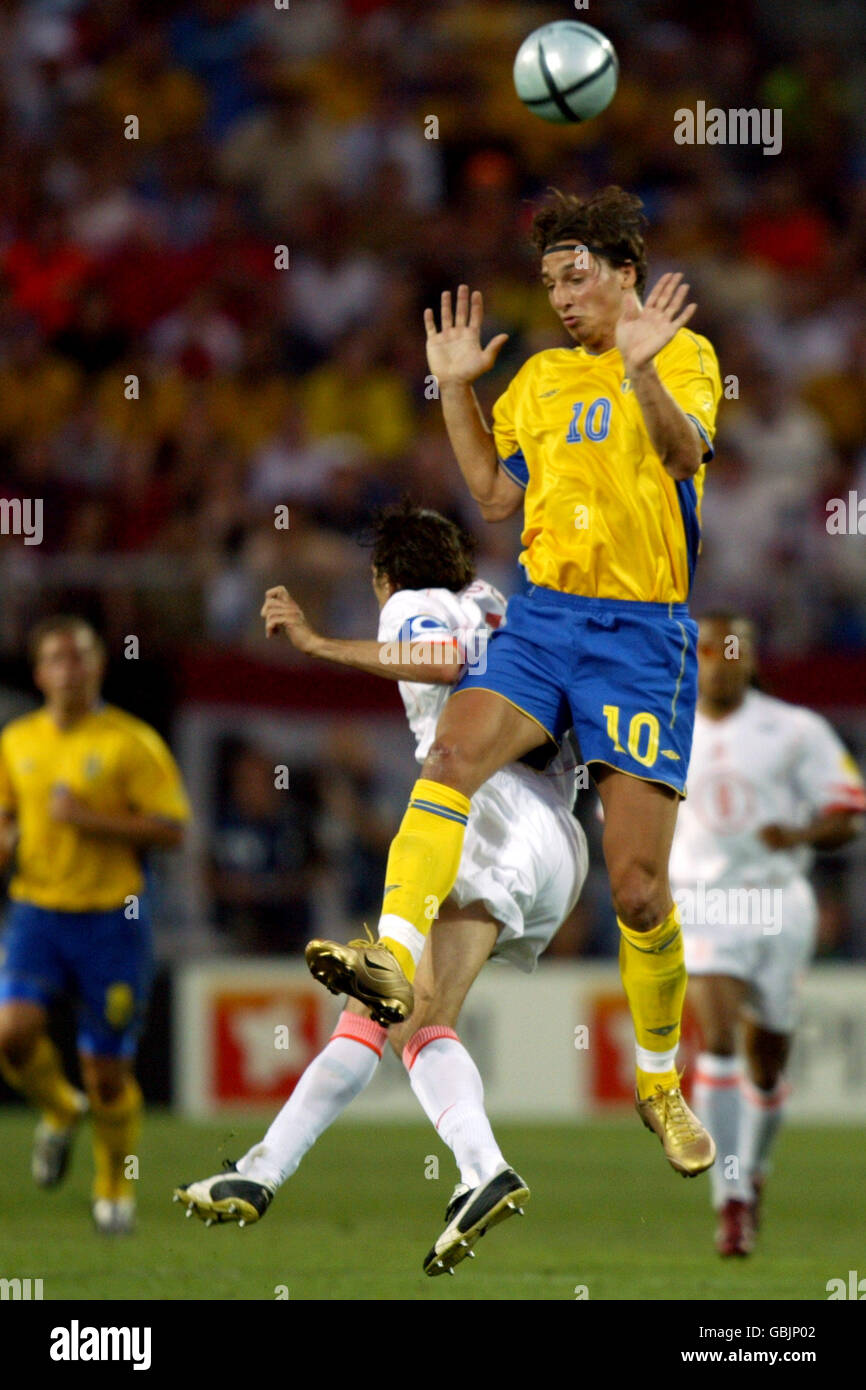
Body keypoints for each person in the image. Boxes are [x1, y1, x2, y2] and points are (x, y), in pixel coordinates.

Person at [305, 185, 723, 1175]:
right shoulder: (535, 379)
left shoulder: (681, 356)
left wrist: (640, 370)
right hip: (540, 618)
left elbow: (679, 453)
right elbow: (494, 497)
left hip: (638, 634)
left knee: (635, 888)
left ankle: (658, 1082)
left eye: (576, 276)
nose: (561, 296)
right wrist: (454, 390)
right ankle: (391, 955)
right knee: (449, 751)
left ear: (624, 272)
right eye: (548, 281)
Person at [174, 503, 588, 1275]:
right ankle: (457, 1170)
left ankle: (383, 962)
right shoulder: (494, 603)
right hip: (556, 844)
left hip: (483, 807)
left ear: (383, 576)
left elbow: (437, 661)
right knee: (408, 1021)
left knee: (388, 985)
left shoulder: (412, 604)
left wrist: (316, 642)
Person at [670, 613, 864, 1255]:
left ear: (751, 661)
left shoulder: (795, 729)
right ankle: (729, 1200)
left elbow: (850, 813)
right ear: (694, 656)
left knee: (768, 1060)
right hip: (705, 904)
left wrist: (802, 834)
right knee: (718, 1040)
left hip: (778, 903)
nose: (722, 661)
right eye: (709, 649)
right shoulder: (664, 724)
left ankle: (752, 1169)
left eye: (734, 651)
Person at [0, 617, 191, 1234]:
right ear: (39, 673)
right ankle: (59, 1110)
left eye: (81, 656)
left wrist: (90, 820)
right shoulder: (17, 741)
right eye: (57, 657)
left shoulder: (130, 743)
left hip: (113, 919)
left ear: (99, 667)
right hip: (37, 911)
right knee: (12, 1034)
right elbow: (6, 815)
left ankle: (114, 1184)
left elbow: (172, 829)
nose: (70, 668)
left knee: (107, 1073)